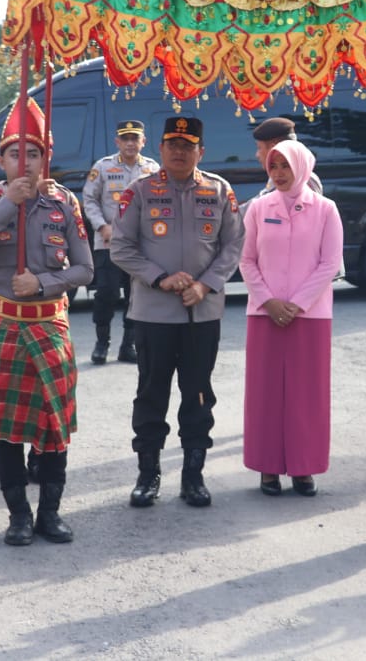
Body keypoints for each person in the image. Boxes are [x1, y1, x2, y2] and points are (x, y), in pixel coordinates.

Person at [0, 96, 93, 545]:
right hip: (5, 327)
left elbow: (85, 269)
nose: (25, 162)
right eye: (16, 154)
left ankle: (50, 512)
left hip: (49, 323)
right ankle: (17, 514)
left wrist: (41, 282)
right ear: (1, 161)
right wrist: (6, 206)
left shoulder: (64, 204)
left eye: (33, 153)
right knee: (7, 428)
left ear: (45, 159)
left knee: (55, 424)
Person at [111, 116, 244, 508]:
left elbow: (233, 245)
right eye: (173, 144)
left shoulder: (219, 191)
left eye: (188, 146)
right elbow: (121, 247)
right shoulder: (140, 192)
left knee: (199, 395)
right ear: (162, 149)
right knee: (151, 394)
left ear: (200, 151)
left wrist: (205, 285)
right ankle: (148, 474)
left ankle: (193, 475)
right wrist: (159, 278)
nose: (180, 152)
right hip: (154, 314)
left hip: (201, 315)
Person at [240, 139, 342, 496]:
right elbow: (247, 260)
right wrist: (269, 302)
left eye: (286, 165)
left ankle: (304, 467)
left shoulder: (326, 209)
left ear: (302, 165)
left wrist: (296, 304)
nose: (279, 173)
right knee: (265, 393)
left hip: (310, 316)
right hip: (264, 314)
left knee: (306, 394)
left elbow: (330, 263)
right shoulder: (257, 208)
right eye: (274, 166)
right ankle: (268, 468)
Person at [82, 119, 158, 365]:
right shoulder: (103, 167)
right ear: (117, 142)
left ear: (143, 142)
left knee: (136, 295)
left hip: (140, 246)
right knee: (107, 292)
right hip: (108, 243)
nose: (130, 143)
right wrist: (102, 226)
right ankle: (102, 343)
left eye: (135, 138)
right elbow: (89, 200)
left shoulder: (153, 169)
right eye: (125, 139)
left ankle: (128, 346)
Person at [250, 116, 323, 200]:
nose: (257, 155)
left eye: (259, 148)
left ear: (273, 148)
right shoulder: (280, 176)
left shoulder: (299, 181)